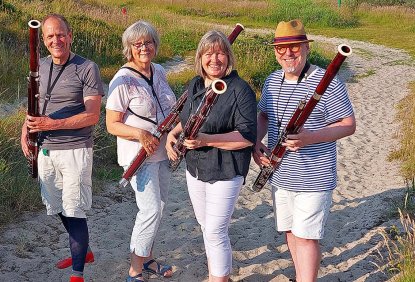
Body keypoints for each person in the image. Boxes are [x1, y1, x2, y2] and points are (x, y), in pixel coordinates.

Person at [252, 19, 356, 282]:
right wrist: (255, 143)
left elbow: (348, 125)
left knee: (306, 237)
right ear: (275, 51)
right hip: (280, 173)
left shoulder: (327, 81)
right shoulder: (272, 80)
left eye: (295, 47)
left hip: (314, 176)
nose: (288, 54)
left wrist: (310, 138)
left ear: (306, 48)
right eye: (281, 48)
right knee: (290, 231)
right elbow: (263, 116)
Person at [166, 30, 258, 282]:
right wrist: (171, 136)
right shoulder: (195, 84)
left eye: (220, 53)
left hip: (226, 169)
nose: (214, 59)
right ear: (200, 58)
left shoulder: (240, 89)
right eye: (208, 53)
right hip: (195, 169)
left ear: (229, 57)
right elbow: (185, 118)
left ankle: (219, 278)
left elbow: (247, 136)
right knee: (207, 227)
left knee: (216, 230)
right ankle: (216, 272)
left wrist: (206, 140)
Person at [20, 14, 104, 282]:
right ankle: (83, 251)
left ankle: (77, 274)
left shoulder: (87, 67)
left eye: (60, 34)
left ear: (70, 35)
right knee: (56, 206)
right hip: (45, 150)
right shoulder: (40, 67)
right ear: (43, 41)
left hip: (74, 150)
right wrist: (25, 132)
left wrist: (51, 124)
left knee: (74, 210)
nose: (56, 40)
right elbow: (33, 107)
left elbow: (92, 115)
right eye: (50, 36)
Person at [105, 20, 176, 282]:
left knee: (160, 207)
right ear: (129, 48)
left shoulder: (158, 70)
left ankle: (148, 260)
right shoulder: (122, 79)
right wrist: (140, 134)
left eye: (148, 42)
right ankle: (135, 270)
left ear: (155, 46)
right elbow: (111, 124)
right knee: (150, 210)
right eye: (138, 44)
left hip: (162, 154)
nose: (143, 47)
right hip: (139, 157)